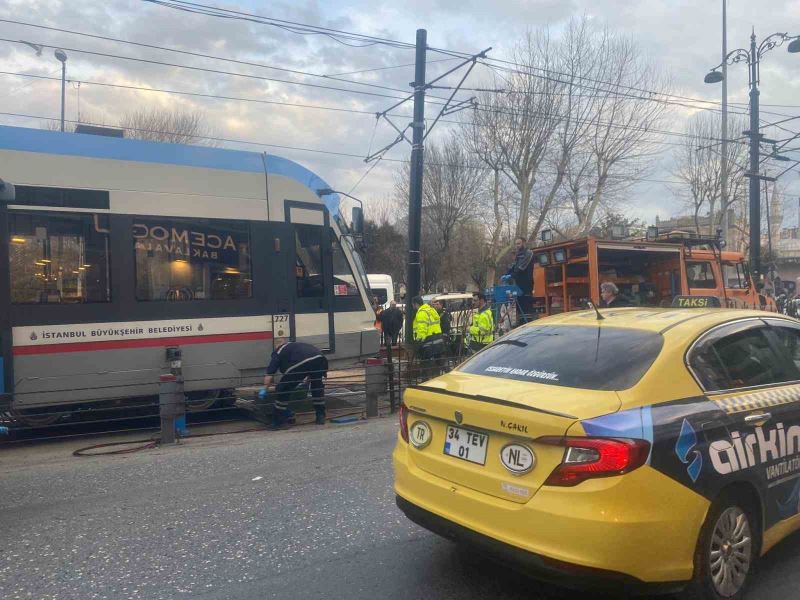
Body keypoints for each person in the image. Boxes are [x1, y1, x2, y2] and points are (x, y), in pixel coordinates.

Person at [262, 339, 328, 428]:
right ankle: (320, 416)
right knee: (317, 387)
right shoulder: (295, 345)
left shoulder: (278, 352)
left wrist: (264, 389)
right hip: (320, 358)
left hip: (302, 361)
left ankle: (278, 422)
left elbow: (269, 374)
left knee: (283, 389)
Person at [412, 296, 445, 380]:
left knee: (426, 367)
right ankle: (439, 382)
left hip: (428, 344)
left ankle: (425, 383)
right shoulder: (431, 310)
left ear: (415, 304)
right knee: (439, 366)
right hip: (438, 341)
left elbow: (422, 330)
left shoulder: (421, 313)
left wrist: (418, 344)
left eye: (413, 305)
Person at [502, 237, 534, 324]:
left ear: (524, 243)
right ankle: (520, 323)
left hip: (526, 283)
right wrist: (506, 274)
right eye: (516, 244)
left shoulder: (529, 253)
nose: (517, 246)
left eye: (519, 243)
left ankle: (527, 323)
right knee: (519, 305)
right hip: (518, 284)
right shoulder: (518, 255)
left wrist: (511, 275)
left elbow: (521, 268)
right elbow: (513, 266)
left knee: (526, 306)